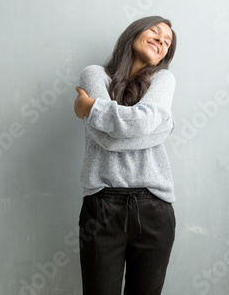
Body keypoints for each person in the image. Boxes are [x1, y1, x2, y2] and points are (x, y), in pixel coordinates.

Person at [73, 15, 177, 295]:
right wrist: (159, 127)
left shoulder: (163, 79)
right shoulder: (94, 75)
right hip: (102, 206)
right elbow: (108, 138)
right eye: (155, 32)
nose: (161, 41)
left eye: (167, 41)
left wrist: (91, 108)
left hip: (155, 208)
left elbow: (135, 125)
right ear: (133, 35)